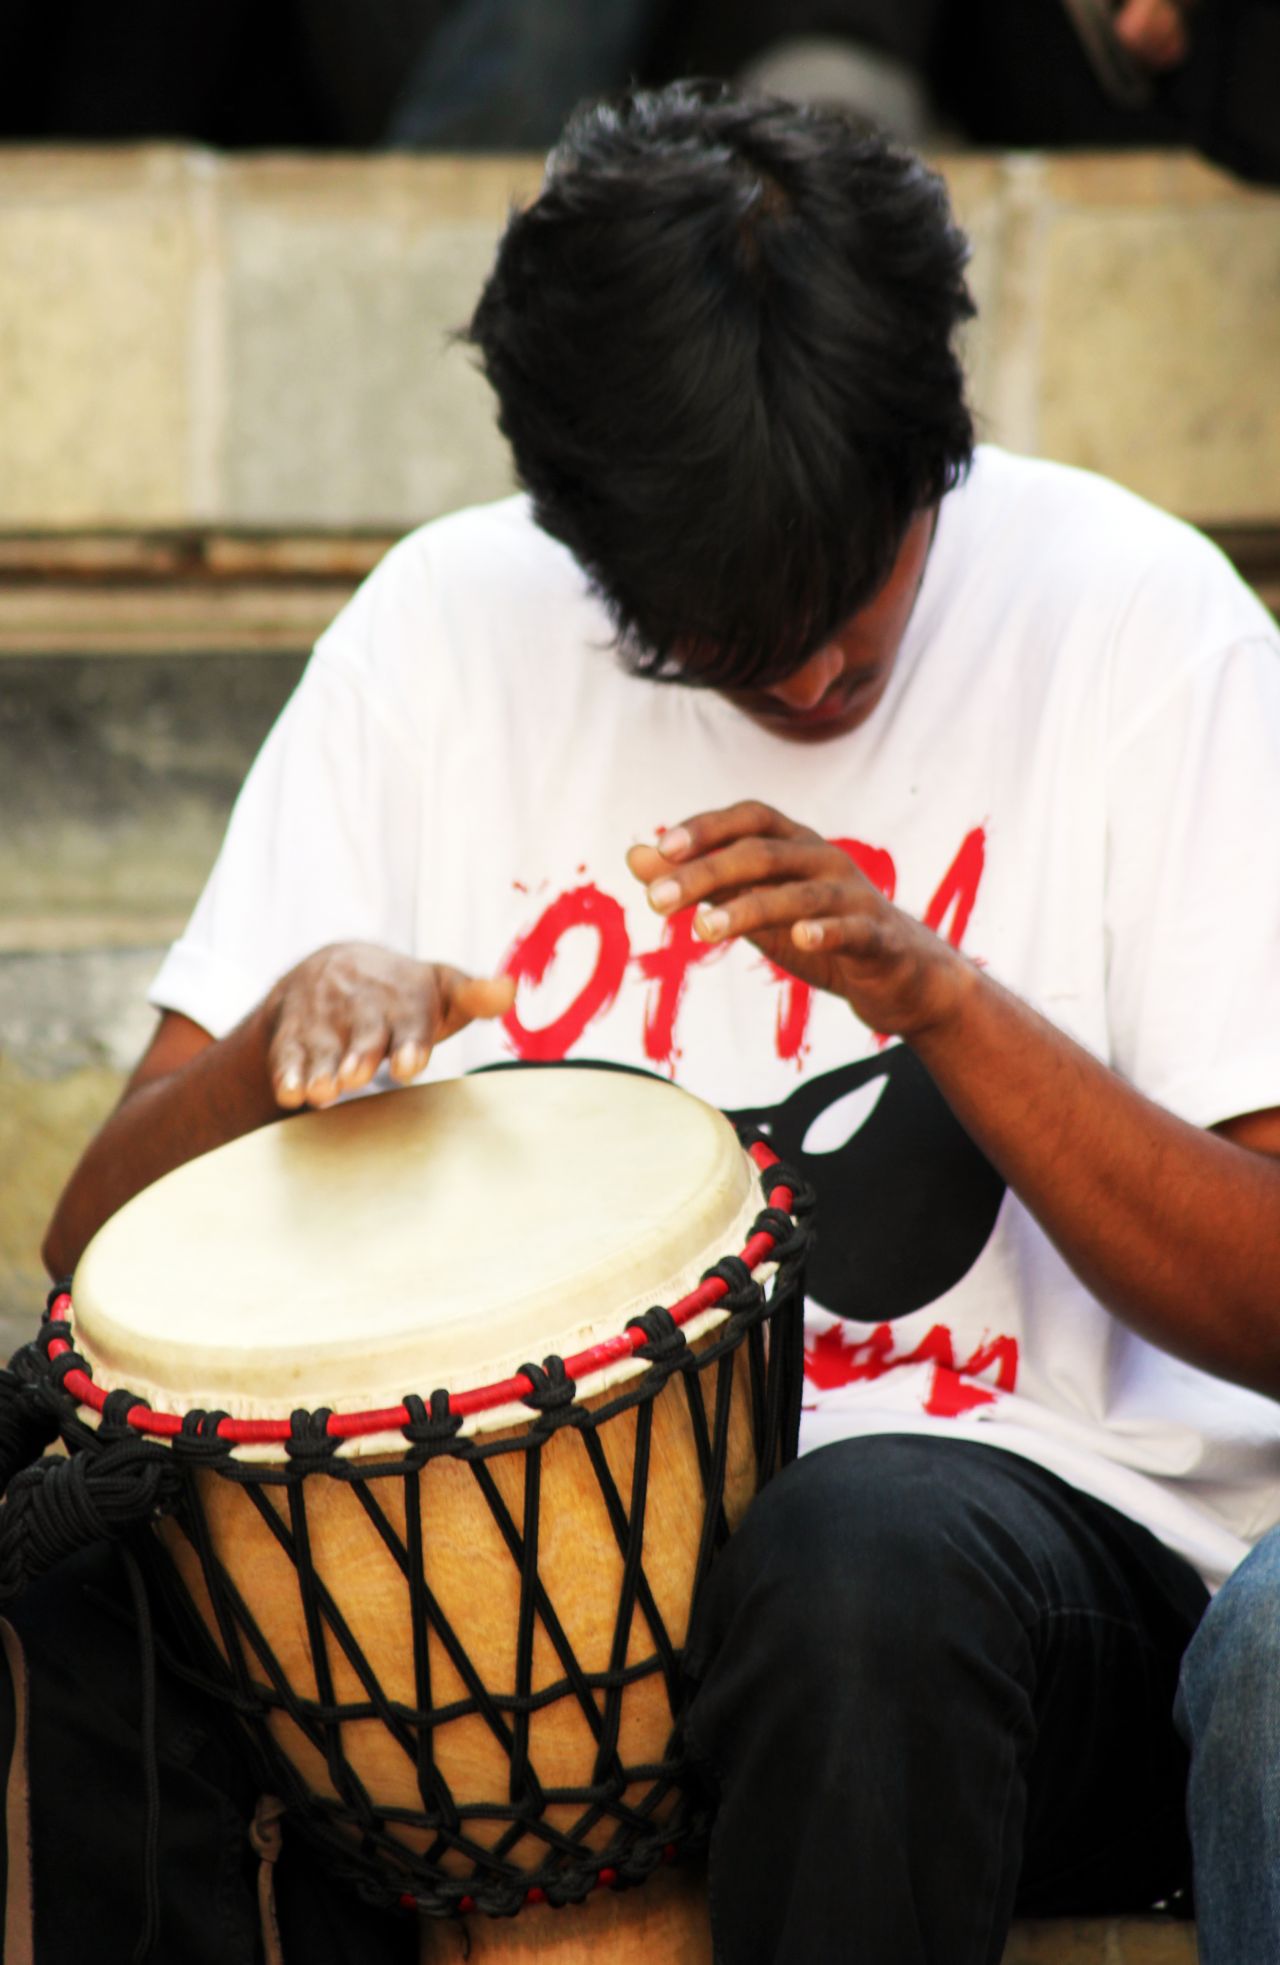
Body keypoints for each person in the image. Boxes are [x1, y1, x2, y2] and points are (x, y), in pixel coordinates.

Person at [15, 80, 1280, 1964]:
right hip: (511, 1611)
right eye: (717, 634)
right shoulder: (443, 633)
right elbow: (84, 1255)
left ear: (933, 458)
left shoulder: (1138, 626)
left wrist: (937, 996)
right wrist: (284, 1024)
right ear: (586, 551)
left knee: (855, 1549)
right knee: (87, 1530)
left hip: (1025, 1584)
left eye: (852, 603)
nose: (807, 670)